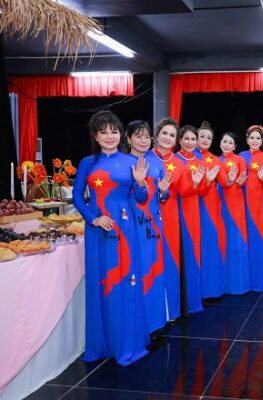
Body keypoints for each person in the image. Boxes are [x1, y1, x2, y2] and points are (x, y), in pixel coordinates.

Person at [73, 110, 150, 365]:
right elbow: (77, 197)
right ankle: (101, 344)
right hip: (98, 231)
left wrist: (141, 183)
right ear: (95, 136)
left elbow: (141, 199)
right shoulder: (87, 163)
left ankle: (125, 342)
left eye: (114, 131)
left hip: (125, 230)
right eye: (103, 132)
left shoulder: (131, 162)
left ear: (121, 135)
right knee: (102, 283)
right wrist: (92, 218)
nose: (109, 136)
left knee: (124, 282)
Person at [125, 120, 171, 334]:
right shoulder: (123, 163)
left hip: (153, 223)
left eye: (146, 137)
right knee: (136, 269)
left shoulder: (156, 163)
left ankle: (155, 322)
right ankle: (137, 324)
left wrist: (163, 191)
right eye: (138, 136)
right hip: (131, 222)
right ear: (128, 139)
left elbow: (163, 197)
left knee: (154, 267)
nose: (143, 141)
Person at [147, 118, 187, 320]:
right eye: (164, 133)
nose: (168, 138)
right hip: (146, 218)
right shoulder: (144, 157)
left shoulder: (179, 163)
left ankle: (171, 311)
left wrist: (202, 183)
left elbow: (186, 191)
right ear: (156, 135)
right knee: (150, 261)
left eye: (172, 135)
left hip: (170, 217)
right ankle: (150, 313)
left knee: (170, 261)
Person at [175, 125, 215, 314]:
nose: (190, 142)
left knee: (192, 252)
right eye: (187, 139)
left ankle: (191, 300)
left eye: (193, 139)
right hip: (175, 209)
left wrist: (207, 182)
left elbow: (203, 193)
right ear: (180, 140)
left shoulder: (200, 161)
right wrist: (196, 183)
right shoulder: (173, 160)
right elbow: (178, 190)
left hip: (192, 211)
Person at [217, 131, 251, 295]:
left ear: (235, 146)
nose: (227, 145)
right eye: (225, 141)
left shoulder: (240, 160)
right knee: (222, 239)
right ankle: (223, 284)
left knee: (236, 241)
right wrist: (227, 181)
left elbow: (242, 179)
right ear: (220, 143)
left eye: (230, 143)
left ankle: (239, 284)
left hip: (236, 201)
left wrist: (239, 181)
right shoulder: (215, 160)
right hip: (220, 201)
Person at [240, 125, 263, 291]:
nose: (254, 141)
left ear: (262, 140)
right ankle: (243, 280)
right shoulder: (241, 156)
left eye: (258, 138)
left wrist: (261, 177)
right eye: (252, 137)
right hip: (240, 201)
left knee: (256, 237)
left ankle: (258, 281)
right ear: (247, 139)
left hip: (257, 203)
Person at [195, 121, 225, 298]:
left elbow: (225, 183)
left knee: (208, 243)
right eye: (202, 136)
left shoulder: (214, 159)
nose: (205, 140)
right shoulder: (187, 158)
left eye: (209, 138)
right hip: (191, 202)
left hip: (210, 204)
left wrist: (233, 180)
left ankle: (210, 289)